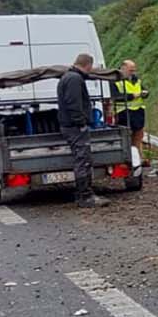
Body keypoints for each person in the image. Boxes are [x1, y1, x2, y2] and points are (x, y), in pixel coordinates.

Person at [57, 53, 109, 208]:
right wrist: (81, 122)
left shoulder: (67, 77)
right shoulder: (74, 79)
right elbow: (74, 103)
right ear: (88, 65)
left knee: (82, 159)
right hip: (74, 126)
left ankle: (84, 194)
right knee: (83, 160)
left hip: (69, 125)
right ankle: (85, 196)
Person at [113, 59, 148, 154]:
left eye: (134, 70)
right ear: (123, 68)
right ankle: (127, 158)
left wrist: (145, 93)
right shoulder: (116, 81)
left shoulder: (136, 80)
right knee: (126, 137)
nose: (133, 73)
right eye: (130, 70)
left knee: (138, 136)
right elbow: (115, 96)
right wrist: (132, 96)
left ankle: (137, 158)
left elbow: (143, 89)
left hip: (138, 112)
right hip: (124, 112)